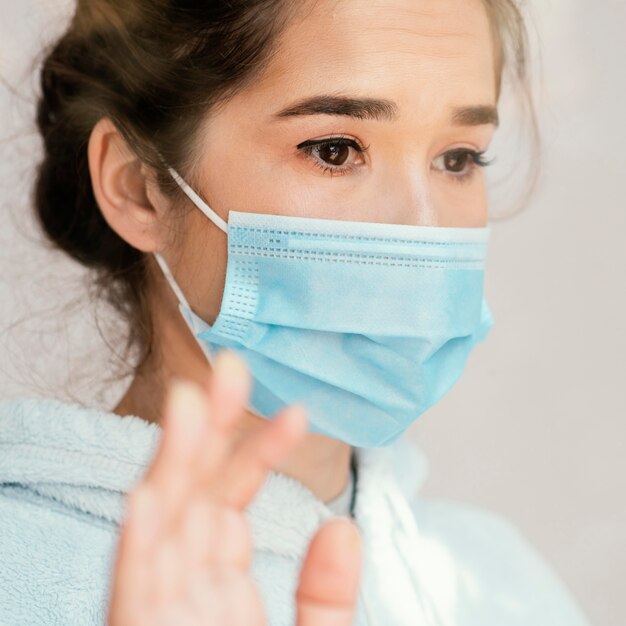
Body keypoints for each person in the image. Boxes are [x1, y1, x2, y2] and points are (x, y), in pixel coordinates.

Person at [0, 0, 593, 624]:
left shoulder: (501, 582)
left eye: (458, 159)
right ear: (137, 187)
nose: (423, 228)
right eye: (335, 149)